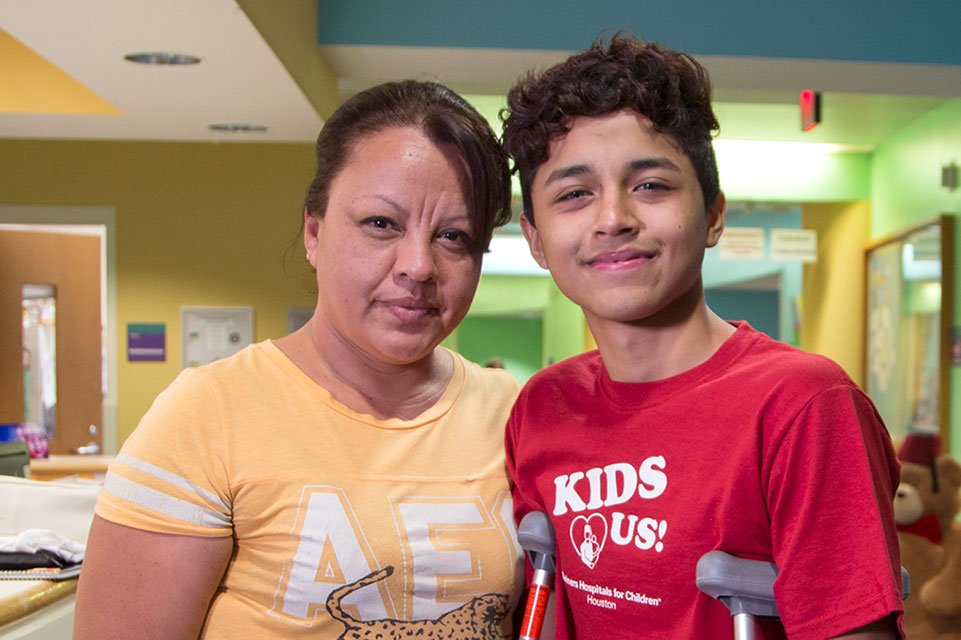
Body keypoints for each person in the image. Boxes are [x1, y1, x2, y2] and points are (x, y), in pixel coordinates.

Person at [74, 80, 524, 639]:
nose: (418, 266)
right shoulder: (208, 413)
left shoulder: (516, 415)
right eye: (381, 224)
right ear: (314, 232)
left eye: (454, 236)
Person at [501, 34, 904, 639]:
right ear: (535, 239)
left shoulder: (803, 405)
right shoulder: (540, 407)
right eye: (574, 194)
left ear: (713, 214)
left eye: (651, 186)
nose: (613, 219)